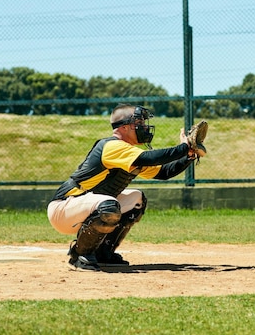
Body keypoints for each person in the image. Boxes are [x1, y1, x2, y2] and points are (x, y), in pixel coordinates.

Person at [47, 104, 201, 271]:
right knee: (108, 205)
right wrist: (183, 147)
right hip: (64, 207)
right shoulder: (112, 146)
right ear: (125, 127)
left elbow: (164, 172)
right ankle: (79, 255)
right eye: (139, 124)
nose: (144, 127)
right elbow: (150, 158)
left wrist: (189, 155)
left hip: (88, 206)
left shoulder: (128, 152)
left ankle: (102, 253)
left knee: (136, 199)